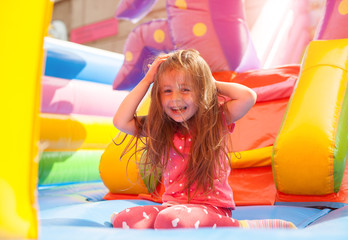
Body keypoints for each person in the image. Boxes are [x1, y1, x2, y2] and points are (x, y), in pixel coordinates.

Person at [111, 49, 295, 229]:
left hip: (212, 208)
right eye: (167, 91)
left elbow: (248, 97)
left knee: (169, 219)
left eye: (185, 89)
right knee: (123, 219)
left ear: (200, 91)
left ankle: (240, 225)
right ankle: (171, 219)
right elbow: (121, 121)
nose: (175, 98)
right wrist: (147, 80)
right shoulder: (162, 127)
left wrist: (210, 82)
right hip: (172, 207)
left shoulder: (215, 119)